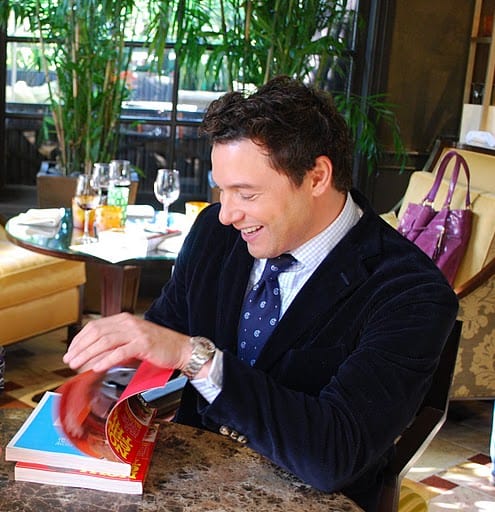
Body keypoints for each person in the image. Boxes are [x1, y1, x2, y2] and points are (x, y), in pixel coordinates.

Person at [64, 75, 458, 511]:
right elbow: (165, 332)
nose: (228, 213)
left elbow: (334, 455)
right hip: (196, 484)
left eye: (246, 194)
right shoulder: (214, 232)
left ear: (317, 177)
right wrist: (109, 379)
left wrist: (196, 357)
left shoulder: (411, 293)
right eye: (221, 189)